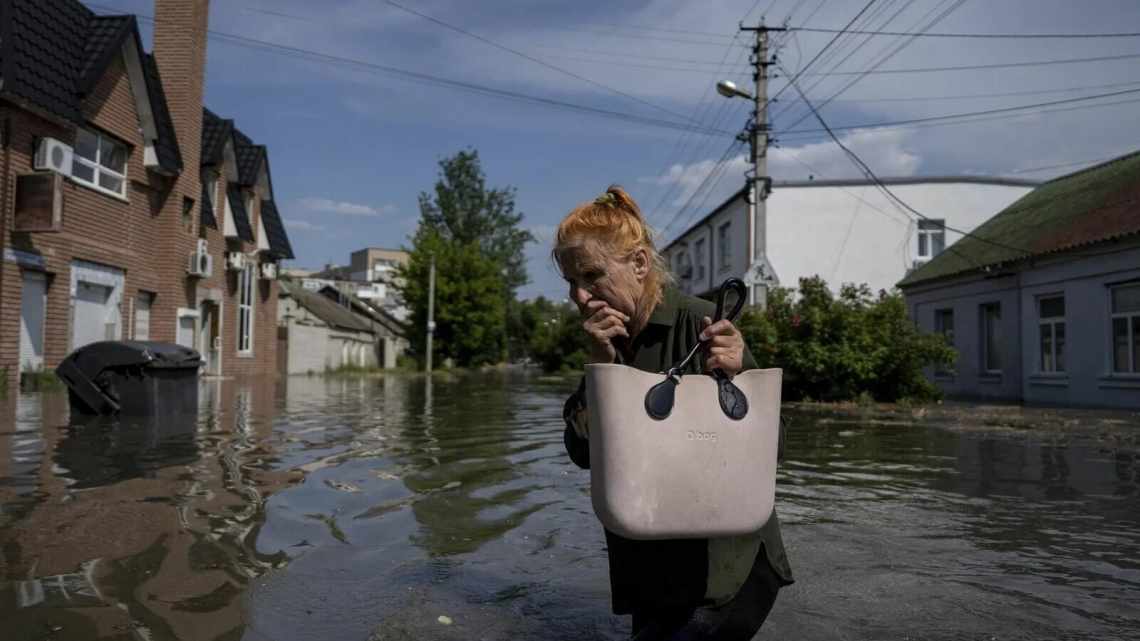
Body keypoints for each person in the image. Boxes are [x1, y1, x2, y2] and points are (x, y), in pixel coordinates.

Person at [554, 186, 794, 640]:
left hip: (725, 573)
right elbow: (583, 454)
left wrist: (738, 373)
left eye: (591, 276)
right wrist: (599, 370)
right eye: (571, 283)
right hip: (652, 576)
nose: (581, 297)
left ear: (640, 265)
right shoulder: (608, 342)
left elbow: (775, 449)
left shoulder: (702, 325)